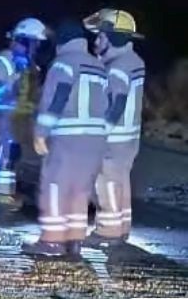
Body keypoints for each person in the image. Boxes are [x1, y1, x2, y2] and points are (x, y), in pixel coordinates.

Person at [22, 20, 110, 258]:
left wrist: (41, 132)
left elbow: (57, 99)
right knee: (80, 190)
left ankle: (51, 241)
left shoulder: (62, 64)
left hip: (69, 138)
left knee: (55, 187)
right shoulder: (98, 66)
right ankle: (74, 240)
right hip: (96, 140)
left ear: (62, 42)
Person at [85, 8, 146, 244]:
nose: (97, 41)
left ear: (113, 38)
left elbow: (118, 99)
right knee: (121, 181)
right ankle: (122, 227)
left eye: (101, 36)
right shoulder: (134, 61)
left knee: (105, 181)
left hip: (114, 137)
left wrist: (104, 130)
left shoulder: (117, 66)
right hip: (129, 137)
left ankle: (107, 232)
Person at [0, 17, 48, 199]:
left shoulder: (31, 65)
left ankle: (5, 192)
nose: (36, 48)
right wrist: (13, 83)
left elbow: (34, 93)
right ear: (24, 41)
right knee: (6, 154)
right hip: (4, 115)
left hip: (20, 117)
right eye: (34, 43)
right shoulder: (5, 60)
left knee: (13, 155)